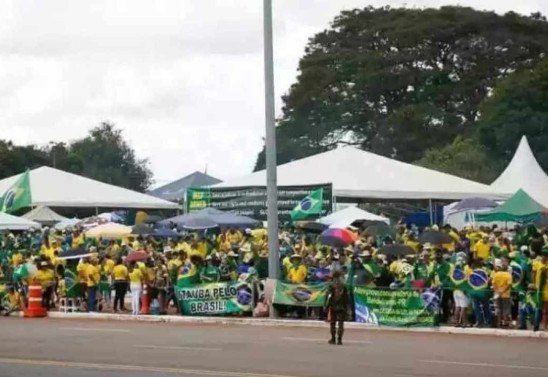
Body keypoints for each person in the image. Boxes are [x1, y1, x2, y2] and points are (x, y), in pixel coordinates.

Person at [325, 271, 349, 345]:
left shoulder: (331, 285)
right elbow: (347, 298)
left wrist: (326, 306)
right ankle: (339, 340)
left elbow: (328, 297)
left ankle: (333, 339)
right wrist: (347, 307)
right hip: (342, 307)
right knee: (341, 323)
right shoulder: (344, 286)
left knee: (333, 323)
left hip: (333, 306)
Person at [492, 259, 513, 328]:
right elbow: (509, 285)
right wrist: (503, 291)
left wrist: (497, 291)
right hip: (506, 294)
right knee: (506, 309)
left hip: (497, 294)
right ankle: (504, 323)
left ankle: (499, 322)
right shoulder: (508, 275)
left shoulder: (496, 274)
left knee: (498, 308)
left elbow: (493, 284)